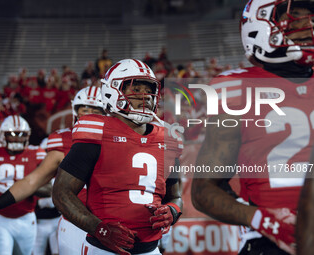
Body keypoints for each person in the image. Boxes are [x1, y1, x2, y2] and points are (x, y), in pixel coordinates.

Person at [191, 1, 314, 255]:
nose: (308, 25)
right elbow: (204, 189)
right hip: (272, 242)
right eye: (296, 18)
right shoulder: (238, 89)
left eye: (310, 18)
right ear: (260, 28)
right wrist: (263, 220)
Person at [52, 59, 183, 255]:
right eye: (135, 89)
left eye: (149, 90)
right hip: (104, 249)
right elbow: (61, 192)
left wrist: (171, 211)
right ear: (111, 91)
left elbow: (176, 197)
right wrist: (99, 228)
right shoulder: (97, 131)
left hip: (151, 250)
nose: (145, 97)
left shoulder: (169, 138)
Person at [0, 87, 105, 254]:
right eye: (85, 108)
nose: (89, 114)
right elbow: (32, 180)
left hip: (109, 219)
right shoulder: (62, 141)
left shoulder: (119, 141)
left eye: (96, 110)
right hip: (75, 221)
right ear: (75, 110)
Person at [0, 115, 46, 255]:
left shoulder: (36, 153)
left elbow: (48, 189)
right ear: (2, 135)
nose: (17, 139)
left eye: (21, 135)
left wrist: (29, 187)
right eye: (12, 135)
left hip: (26, 217)